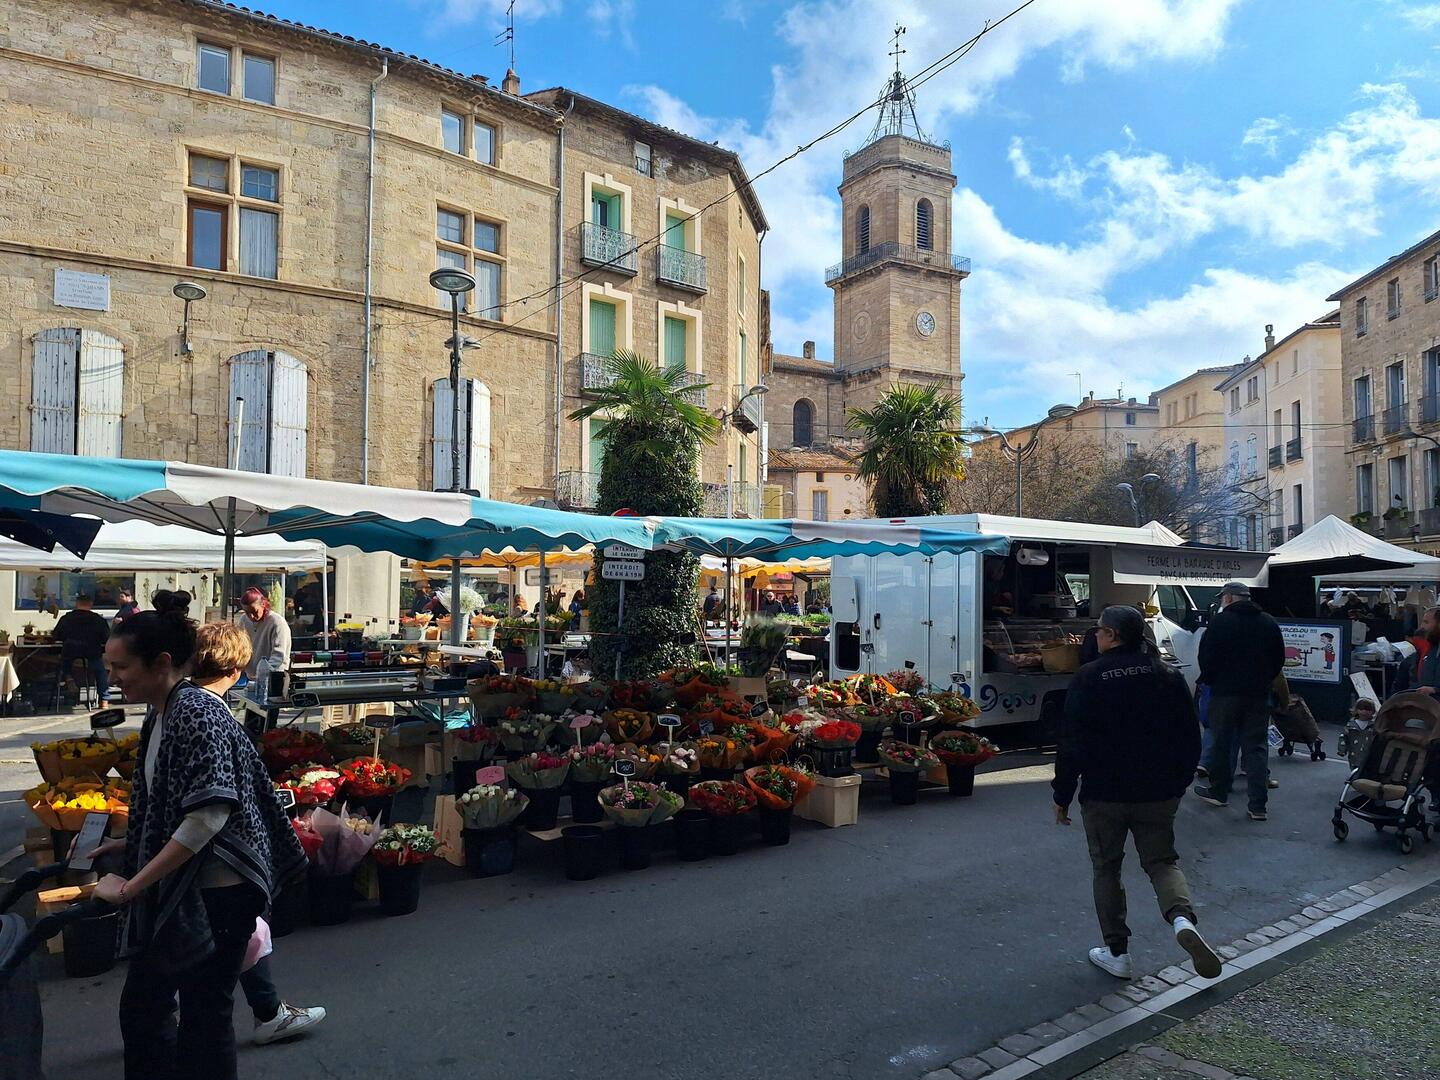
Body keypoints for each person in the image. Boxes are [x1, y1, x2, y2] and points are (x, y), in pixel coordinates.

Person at [84, 611, 306, 1080]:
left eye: (120, 667)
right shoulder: (163, 712)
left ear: (162, 662)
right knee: (150, 1009)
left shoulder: (196, 713)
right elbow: (170, 804)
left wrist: (131, 886)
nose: (112, 677)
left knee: (202, 1016)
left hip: (222, 890)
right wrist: (131, 844)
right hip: (191, 885)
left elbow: (208, 815)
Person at [1052, 605, 1221, 982]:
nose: (1094, 636)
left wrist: (1062, 793)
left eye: (1097, 630)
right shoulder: (1167, 675)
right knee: (1162, 862)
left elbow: (1071, 743)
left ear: (1111, 635)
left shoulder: (1089, 677)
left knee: (1107, 868)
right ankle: (1181, 919)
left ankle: (1117, 952)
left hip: (1104, 792)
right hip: (1158, 791)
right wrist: (1179, 782)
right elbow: (1188, 735)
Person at [190, 623, 326, 1046]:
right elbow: (213, 808)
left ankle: (266, 1011)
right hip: (222, 857)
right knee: (233, 938)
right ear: (237, 667)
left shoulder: (183, 707)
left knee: (238, 935)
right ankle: (259, 1017)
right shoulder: (208, 714)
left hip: (207, 856)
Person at [1193, 582, 1285, 821]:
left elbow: (1206, 657)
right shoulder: (1268, 622)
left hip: (1225, 693)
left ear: (1230, 598)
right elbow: (1279, 659)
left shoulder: (1220, 623)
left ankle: (1219, 791)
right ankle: (1258, 805)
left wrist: (1212, 679)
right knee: (1256, 747)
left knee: (1223, 742)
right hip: (1258, 694)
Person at [53, 594, 111, 704]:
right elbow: (106, 638)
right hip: (92, 651)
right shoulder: (98, 619)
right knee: (100, 671)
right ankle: (104, 700)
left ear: (77, 604)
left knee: (64, 662)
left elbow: (56, 635)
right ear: (91, 604)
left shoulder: (67, 618)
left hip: (70, 649)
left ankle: (68, 677)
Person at [239, 586, 291, 684]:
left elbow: (279, 656)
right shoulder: (243, 620)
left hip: (274, 678)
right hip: (249, 678)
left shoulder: (277, 622)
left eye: (254, 612)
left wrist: (263, 675)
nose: (251, 616)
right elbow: (239, 647)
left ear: (263, 604)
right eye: (247, 612)